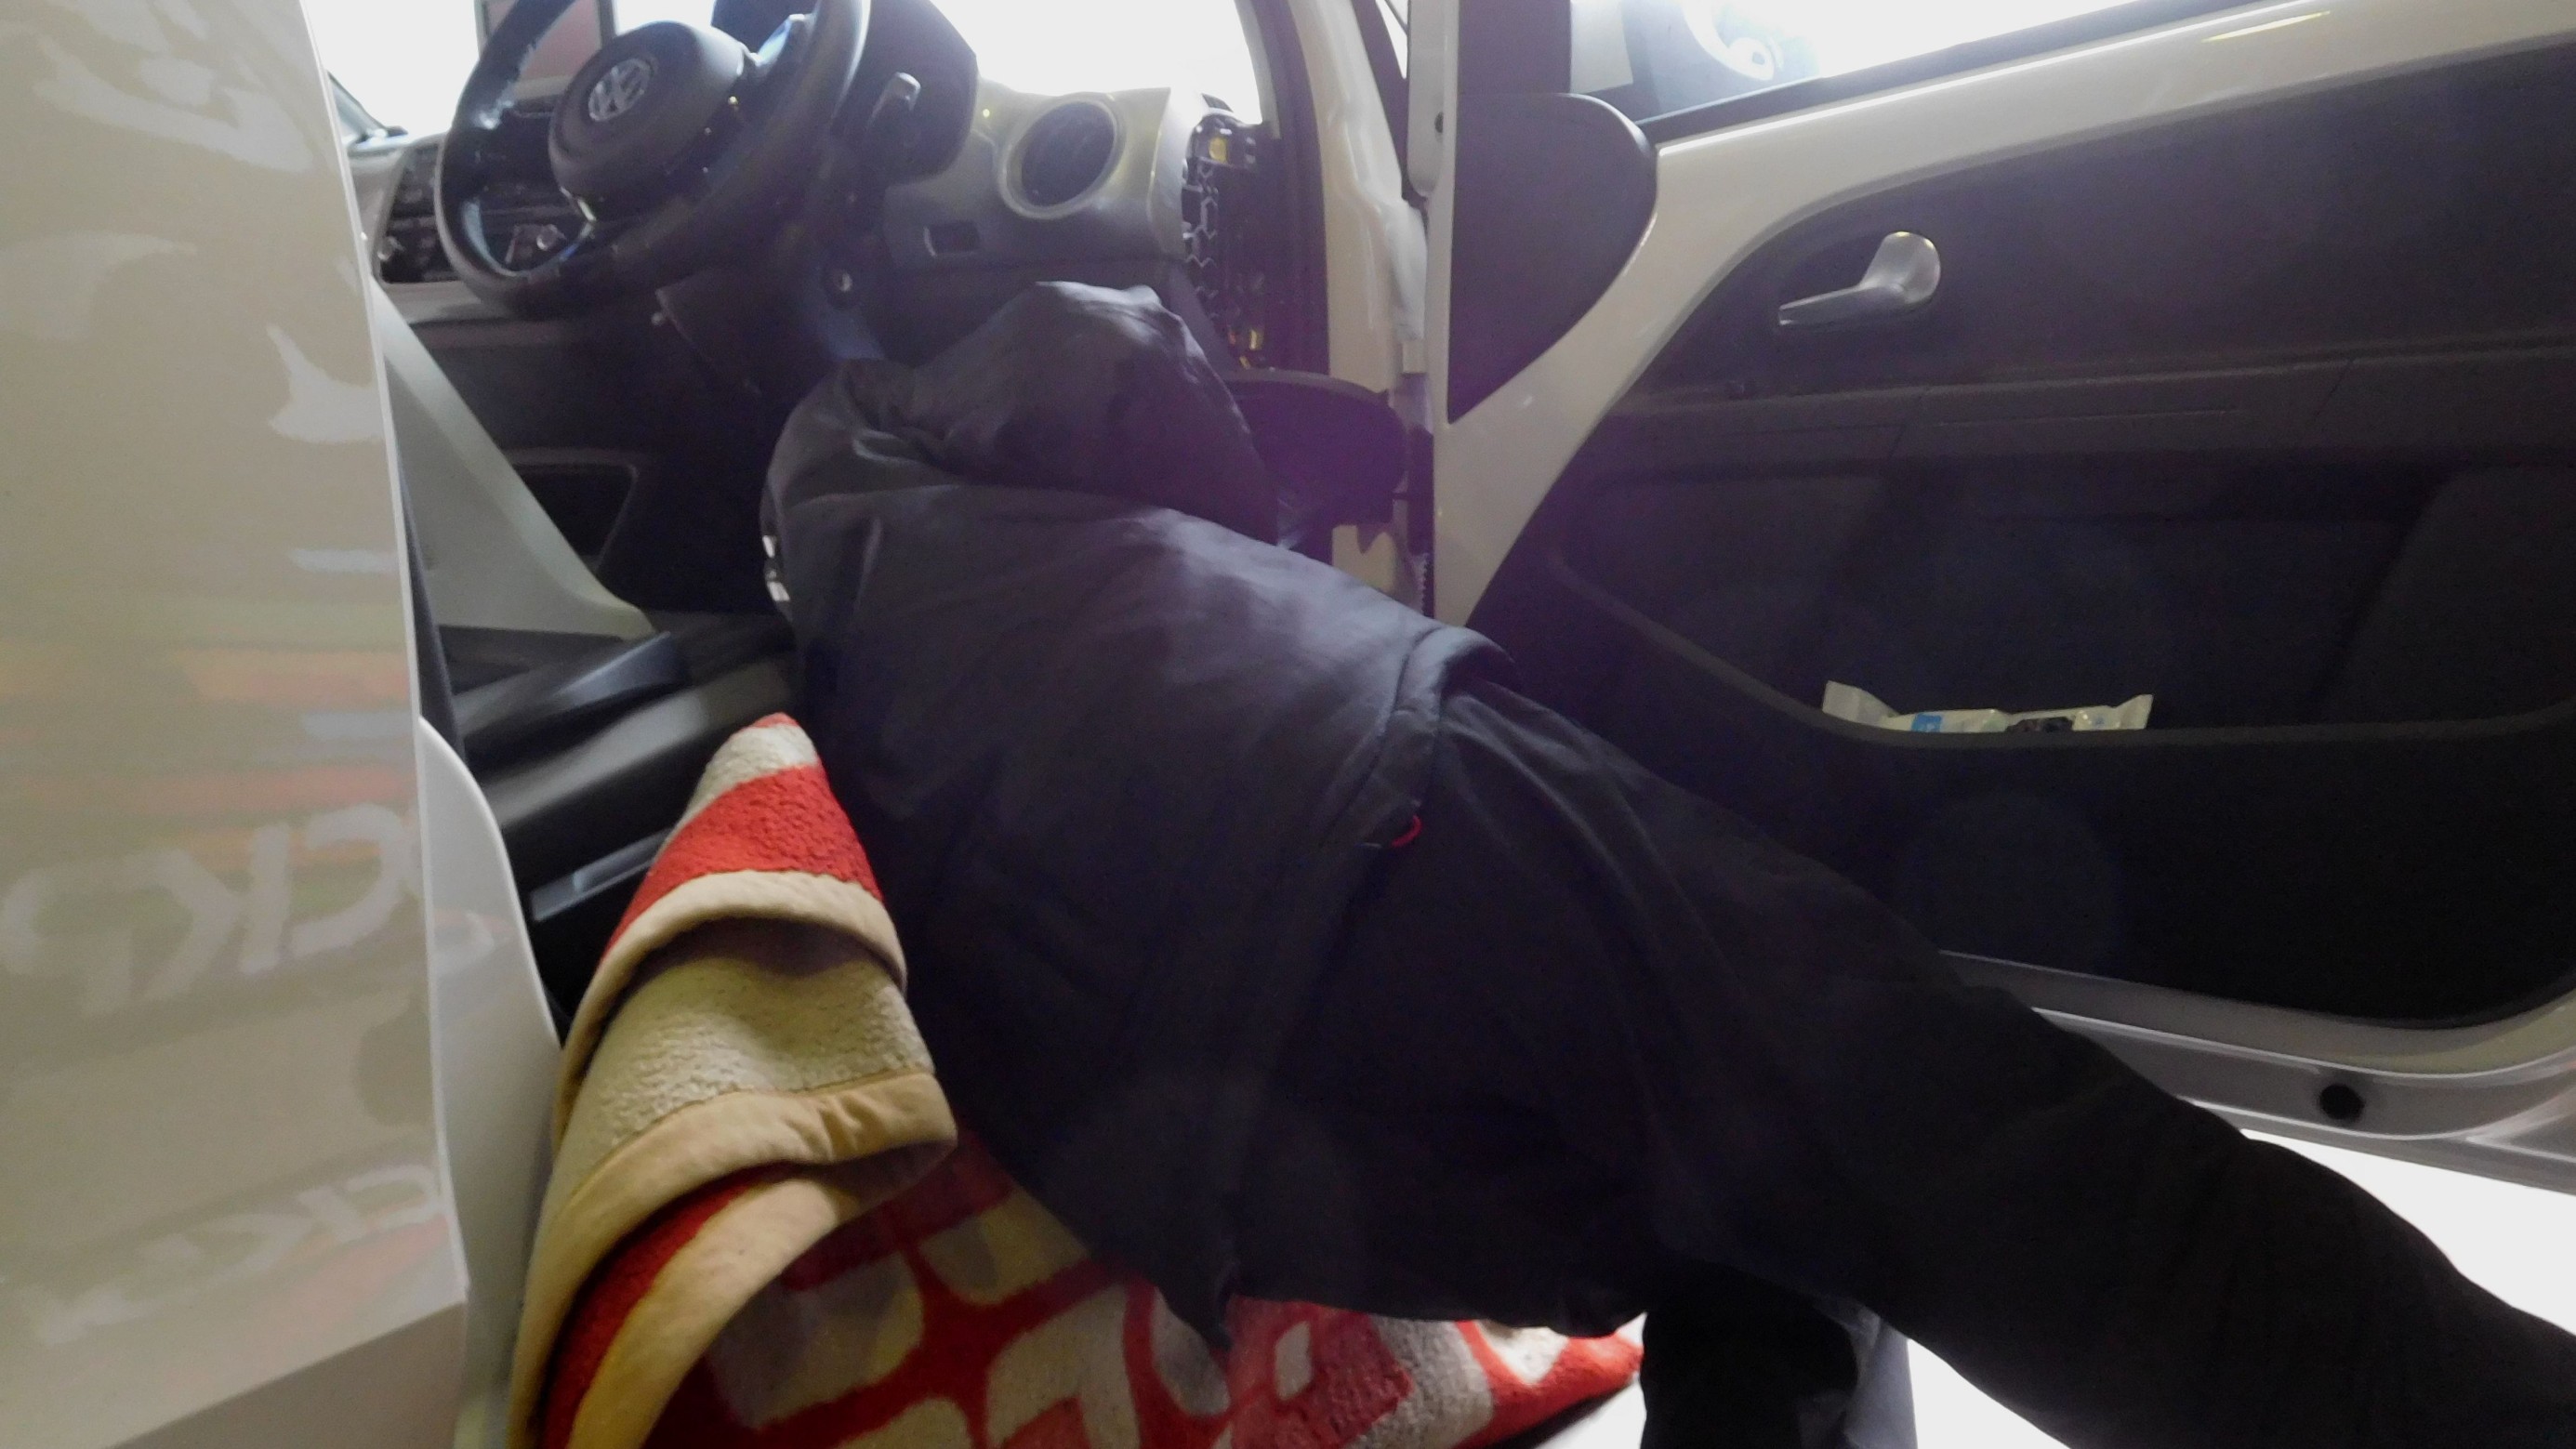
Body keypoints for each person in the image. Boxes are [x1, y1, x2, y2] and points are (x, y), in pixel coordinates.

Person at [761, 283, 2576, 1448]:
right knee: (2009, 1163)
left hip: (1202, 1149)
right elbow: (1108, 364)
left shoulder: (826, 627)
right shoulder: (856, 425)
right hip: (1345, 797)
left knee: (1765, 1221)